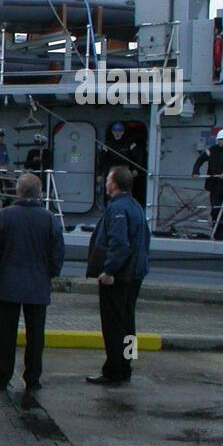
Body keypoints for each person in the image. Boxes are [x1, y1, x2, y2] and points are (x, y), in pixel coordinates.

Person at [0, 172, 65, 403]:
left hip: (9, 283)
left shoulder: (5, 215)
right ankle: (32, 377)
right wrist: (49, 273)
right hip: (38, 284)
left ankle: (2, 375)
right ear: (39, 193)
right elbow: (57, 251)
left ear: (18, 191)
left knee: (7, 332)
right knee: (36, 335)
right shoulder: (49, 218)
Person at [86, 165, 151, 385]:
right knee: (129, 323)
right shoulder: (137, 207)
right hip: (135, 275)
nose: (105, 184)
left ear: (114, 183)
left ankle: (113, 370)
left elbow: (119, 243)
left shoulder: (118, 209)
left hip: (120, 276)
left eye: (107, 180)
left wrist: (109, 271)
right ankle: (127, 365)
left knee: (113, 325)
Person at [191, 128, 223, 239]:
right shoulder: (211, 151)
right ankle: (215, 231)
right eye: (220, 140)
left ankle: (221, 233)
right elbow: (200, 160)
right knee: (215, 209)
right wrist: (195, 172)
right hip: (214, 185)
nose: (221, 142)